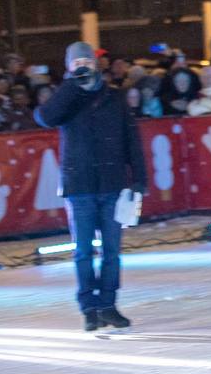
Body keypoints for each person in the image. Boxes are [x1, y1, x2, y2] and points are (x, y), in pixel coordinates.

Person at [35, 42, 146, 332]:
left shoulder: (114, 97)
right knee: (83, 251)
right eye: (76, 62)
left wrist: (139, 179)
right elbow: (45, 117)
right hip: (79, 186)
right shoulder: (66, 97)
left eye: (87, 61)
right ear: (69, 66)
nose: (83, 66)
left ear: (97, 64)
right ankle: (89, 308)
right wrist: (71, 85)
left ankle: (108, 304)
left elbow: (131, 139)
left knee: (111, 251)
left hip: (112, 184)